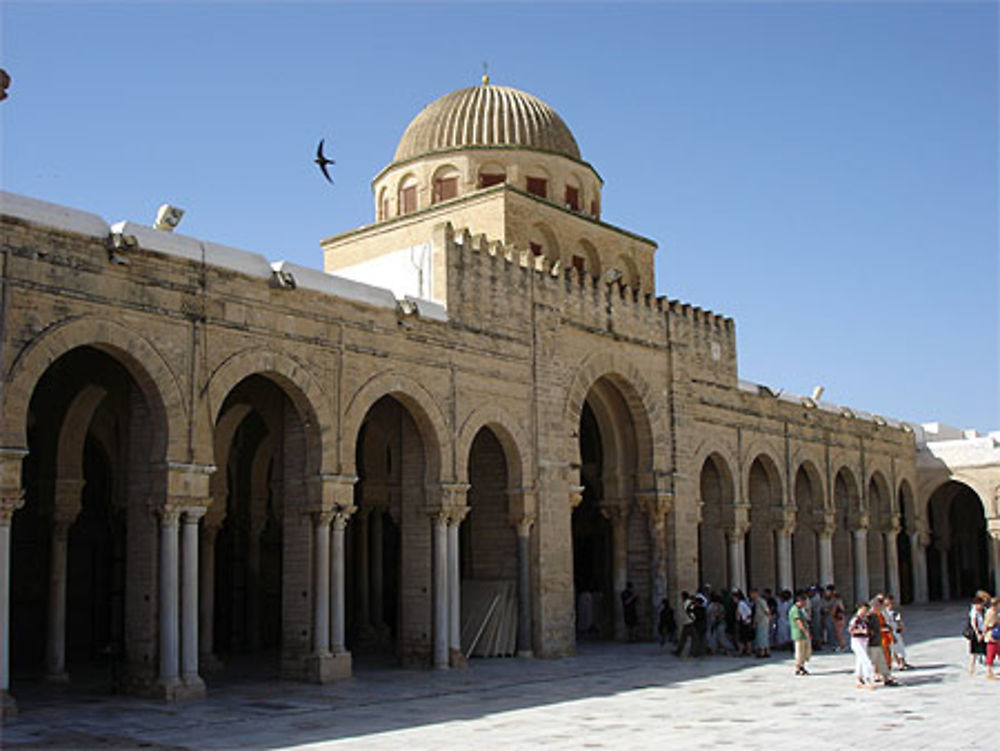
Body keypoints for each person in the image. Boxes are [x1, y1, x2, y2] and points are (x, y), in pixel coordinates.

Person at [867, 595, 897, 686]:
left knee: (883, 659)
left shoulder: (879, 614)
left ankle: (886, 677)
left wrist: (890, 632)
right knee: (872, 661)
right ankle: (872, 676)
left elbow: (884, 625)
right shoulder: (869, 616)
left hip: (881, 640)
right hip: (874, 642)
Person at [848, 602, 877, 689]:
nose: (865, 612)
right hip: (857, 641)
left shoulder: (864, 619)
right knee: (865, 660)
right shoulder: (855, 619)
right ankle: (868, 678)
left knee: (860, 660)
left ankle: (858, 678)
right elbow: (851, 630)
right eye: (863, 610)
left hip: (864, 641)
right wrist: (862, 632)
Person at [883, 594, 912, 670]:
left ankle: (902, 662)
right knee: (894, 648)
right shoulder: (883, 613)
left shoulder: (894, 613)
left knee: (898, 647)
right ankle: (900, 662)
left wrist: (900, 627)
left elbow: (899, 622)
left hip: (894, 631)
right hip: (887, 632)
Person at [788, 591, 812, 676]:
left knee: (804, 651)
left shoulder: (800, 610)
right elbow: (799, 622)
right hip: (799, 633)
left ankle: (802, 666)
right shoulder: (795, 610)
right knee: (799, 651)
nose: (805, 603)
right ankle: (799, 667)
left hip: (802, 634)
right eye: (803, 601)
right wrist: (806, 632)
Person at [968, 596, 987, 674]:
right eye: (980, 604)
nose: (981, 606)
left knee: (986, 650)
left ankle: (988, 668)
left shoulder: (984, 610)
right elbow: (973, 623)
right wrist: (978, 634)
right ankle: (972, 668)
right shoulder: (973, 612)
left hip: (983, 632)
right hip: (977, 633)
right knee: (974, 652)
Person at [750, 588, 771, 657]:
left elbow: (767, 611)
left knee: (762, 637)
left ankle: (763, 652)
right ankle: (765, 651)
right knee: (762, 637)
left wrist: (769, 620)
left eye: (752, 594)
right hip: (759, 621)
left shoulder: (761, 601)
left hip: (763, 621)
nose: (751, 595)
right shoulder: (756, 602)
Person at [984, 596, 999, 680]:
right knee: (991, 654)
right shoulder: (990, 613)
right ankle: (989, 672)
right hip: (992, 636)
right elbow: (986, 625)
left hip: (996, 636)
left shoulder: (995, 612)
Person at [735, 590, 753, 656]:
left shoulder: (741, 604)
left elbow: (749, 612)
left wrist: (746, 619)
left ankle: (745, 650)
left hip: (744, 623)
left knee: (745, 638)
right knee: (743, 638)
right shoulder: (739, 604)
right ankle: (745, 650)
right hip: (742, 622)